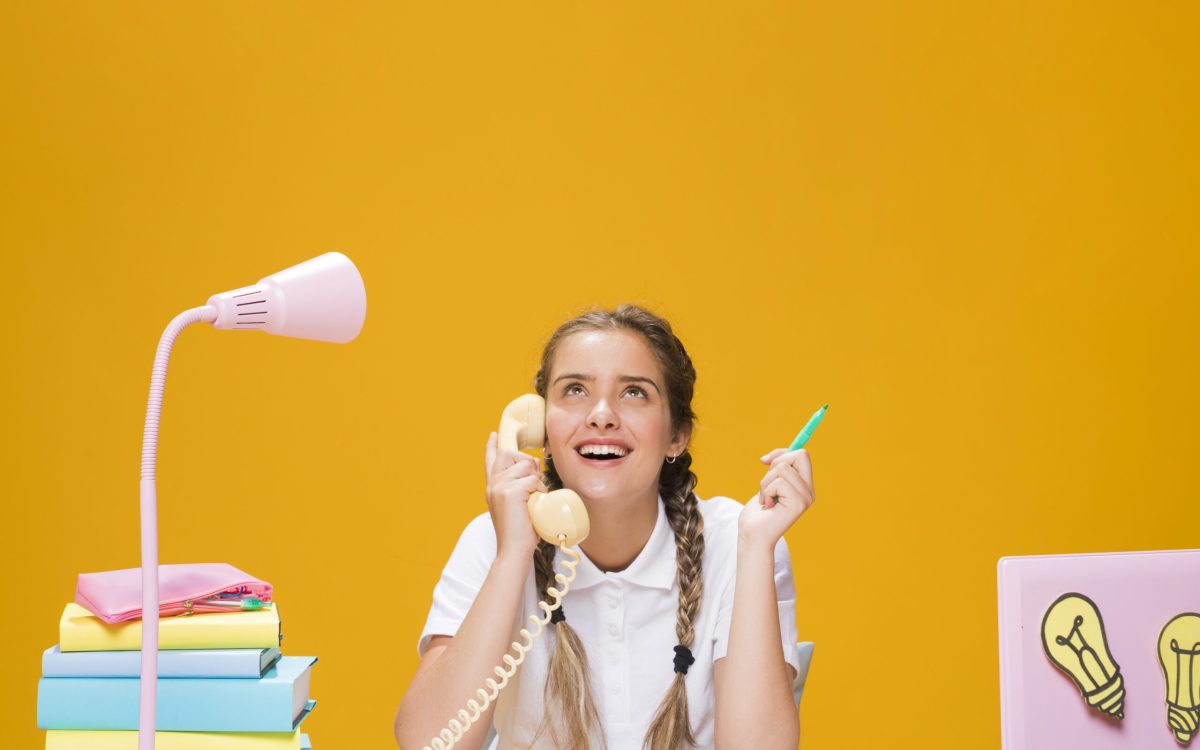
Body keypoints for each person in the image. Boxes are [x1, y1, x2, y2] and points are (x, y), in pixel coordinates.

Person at [395, 305, 813, 750]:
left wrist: (757, 547)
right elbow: (426, 743)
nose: (601, 414)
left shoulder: (740, 539)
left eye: (634, 393)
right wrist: (513, 554)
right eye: (574, 390)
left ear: (677, 435)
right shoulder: (493, 539)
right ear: (541, 429)